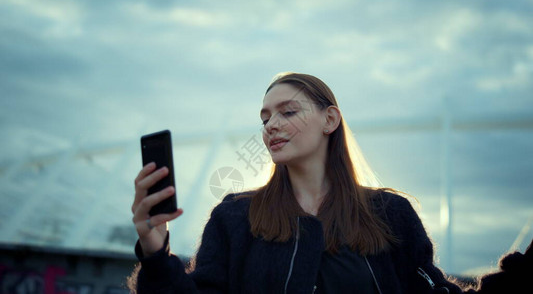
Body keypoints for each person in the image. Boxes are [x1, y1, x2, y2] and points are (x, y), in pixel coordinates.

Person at [128, 72, 532, 293]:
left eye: (288, 112)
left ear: (330, 120)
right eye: (265, 118)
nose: (272, 126)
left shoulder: (390, 215)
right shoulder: (235, 217)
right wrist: (155, 250)